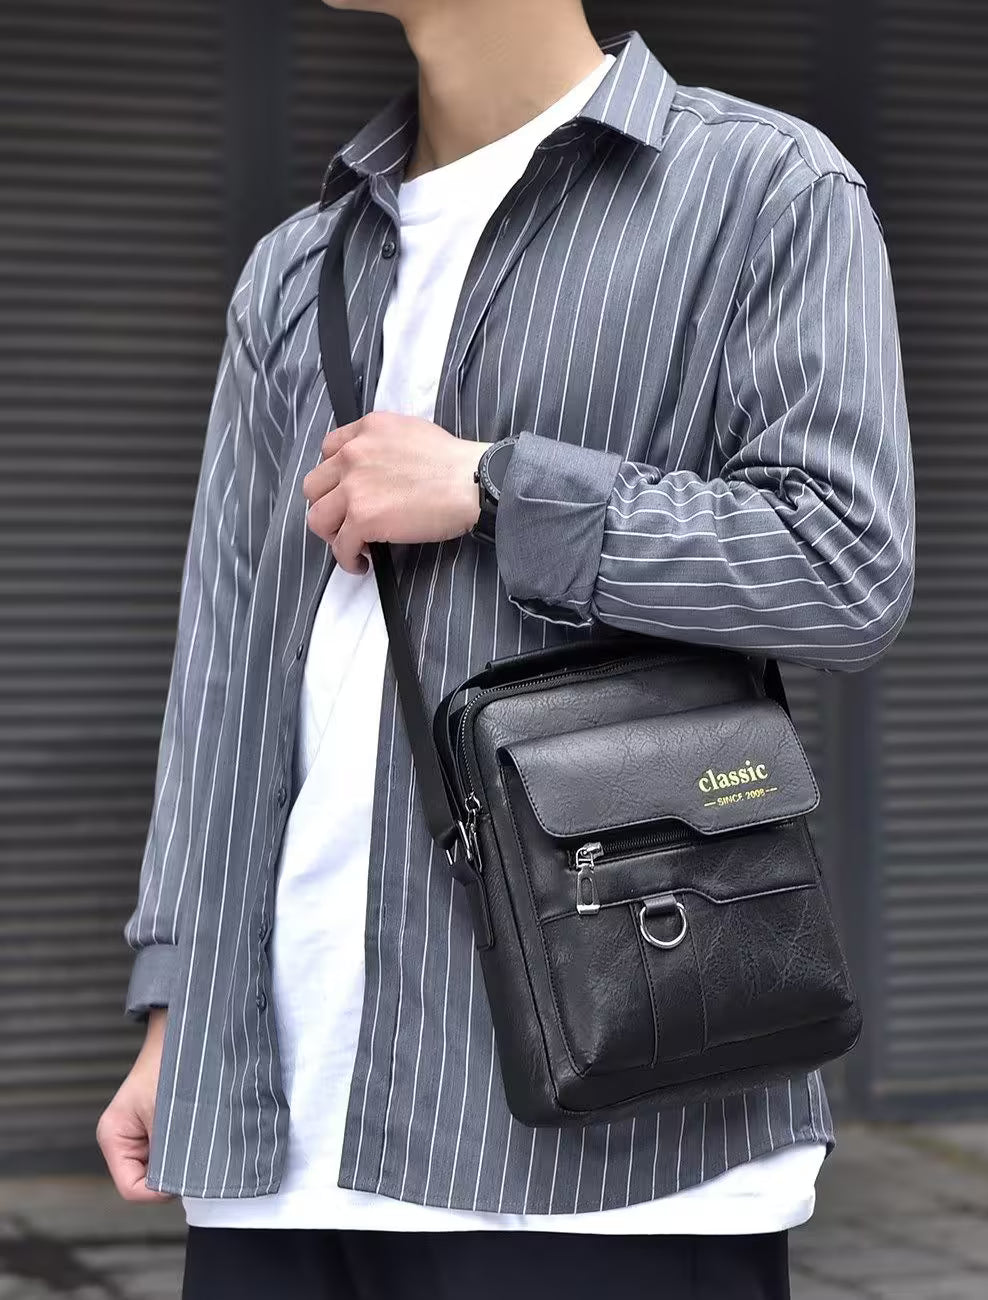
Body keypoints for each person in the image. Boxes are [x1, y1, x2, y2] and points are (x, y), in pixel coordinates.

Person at [97, 1, 914, 1295]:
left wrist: (498, 487)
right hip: (285, 1131)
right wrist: (178, 1009)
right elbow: (229, 673)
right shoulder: (301, 262)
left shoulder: (763, 189)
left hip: (610, 1152)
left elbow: (841, 569)